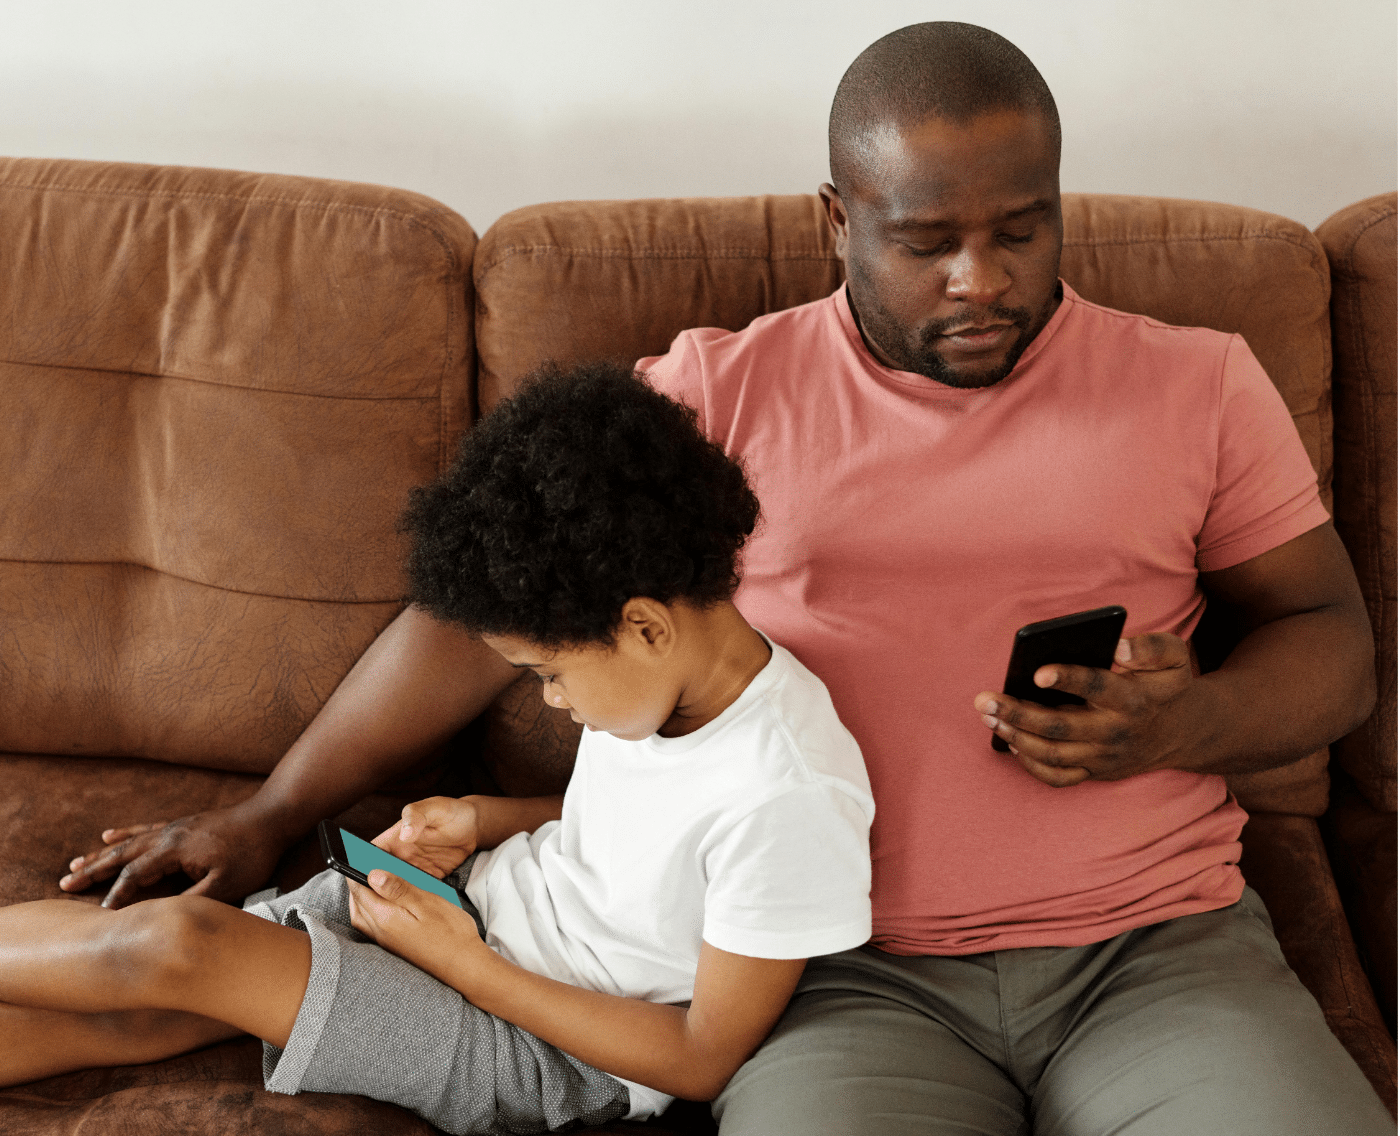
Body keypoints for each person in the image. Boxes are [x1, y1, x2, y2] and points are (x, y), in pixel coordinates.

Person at [59, 20, 1390, 1135]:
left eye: (1024, 232)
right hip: (834, 976)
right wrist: (271, 809)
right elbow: (489, 618)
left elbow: (1330, 638)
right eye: (928, 242)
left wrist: (1194, 718)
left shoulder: (1197, 383)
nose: (982, 280)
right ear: (838, 220)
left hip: (1155, 950)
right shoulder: (719, 389)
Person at [2, 363, 875, 1133]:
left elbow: (697, 1059)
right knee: (146, 1008)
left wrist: (460, 960)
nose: (552, 700)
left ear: (643, 626)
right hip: (465, 913)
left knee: (182, 945)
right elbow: (651, 835)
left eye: (548, 673)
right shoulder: (663, 689)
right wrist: (485, 817)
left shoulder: (789, 792)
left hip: (544, 1049)